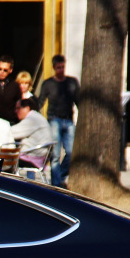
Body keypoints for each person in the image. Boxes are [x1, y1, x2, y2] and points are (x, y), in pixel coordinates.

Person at [39, 54, 80, 186]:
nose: (61, 70)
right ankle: (56, 184)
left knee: (71, 152)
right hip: (54, 120)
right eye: (58, 68)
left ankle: (60, 176)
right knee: (55, 155)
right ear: (53, 68)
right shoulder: (48, 84)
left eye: (62, 67)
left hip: (68, 120)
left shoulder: (72, 82)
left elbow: (79, 102)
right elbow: (40, 102)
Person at [11, 96, 53, 169]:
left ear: (27, 108)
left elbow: (12, 132)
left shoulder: (32, 119)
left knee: (3, 161)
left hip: (32, 159)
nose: (15, 111)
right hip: (39, 157)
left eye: (18, 108)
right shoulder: (37, 117)